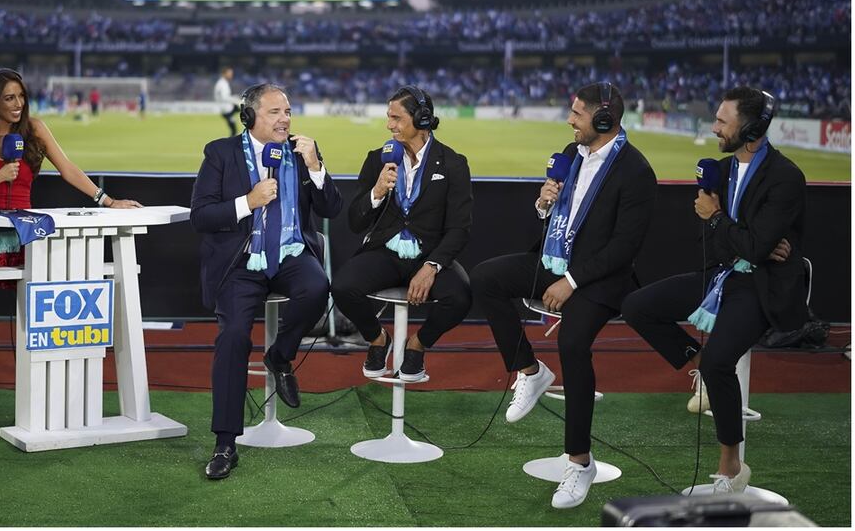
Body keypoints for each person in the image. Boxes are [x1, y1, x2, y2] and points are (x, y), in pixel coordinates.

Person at [469, 82, 657, 509]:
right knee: (485, 278)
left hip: (601, 278)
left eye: (577, 114)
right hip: (555, 262)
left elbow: (623, 249)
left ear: (604, 120)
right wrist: (543, 203)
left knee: (572, 344)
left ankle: (580, 462)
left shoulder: (636, 172)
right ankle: (530, 371)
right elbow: (559, 217)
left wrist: (571, 281)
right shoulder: (571, 156)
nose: (569, 120)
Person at [621, 87, 806, 494]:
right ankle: (700, 363)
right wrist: (736, 233)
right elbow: (721, 242)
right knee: (637, 306)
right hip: (723, 274)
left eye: (723, 121)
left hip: (760, 286)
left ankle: (732, 467)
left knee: (722, 364)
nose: (714, 127)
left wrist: (719, 218)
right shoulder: (719, 171)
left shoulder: (786, 176)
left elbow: (752, 248)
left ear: (752, 128)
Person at [0, 67, 141, 433]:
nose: (18, 104)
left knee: (30, 319)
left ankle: (39, 396)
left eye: (21, 96)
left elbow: (67, 168)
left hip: (24, 231)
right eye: (9, 98)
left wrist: (107, 200)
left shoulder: (35, 130)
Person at [190, 82, 342, 480]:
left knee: (317, 287)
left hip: (291, 254)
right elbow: (200, 216)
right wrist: (248, 202)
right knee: (235, 336)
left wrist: (316, 167)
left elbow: (332, 208)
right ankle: (225, 442)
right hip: (241, 262)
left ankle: (279, 356)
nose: (285, 119)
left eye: (288, 112)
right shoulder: (220, 153)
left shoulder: (301, 150)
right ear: (250, 116)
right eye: (275, 112)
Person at [331, 86, 472, 382]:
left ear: (421, 119)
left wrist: (431, 267)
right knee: (343, 286)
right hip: (385, 252)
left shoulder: (453, 164)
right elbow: (356, 222)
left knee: (460, 297)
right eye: (388, 117)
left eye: (396, 118)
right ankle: (378, 339)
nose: (389, 125)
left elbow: (459, 228)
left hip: (429, 254)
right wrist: (377, 191)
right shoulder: (378, 159)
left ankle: (418, 345)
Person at [214, 66, 240, 136]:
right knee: (234, 130)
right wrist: (235, 99)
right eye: (229, 73)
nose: (231, 75)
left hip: (226, 108)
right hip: (226, 109)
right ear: (224, 74)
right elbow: (224, 97)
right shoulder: (222, 84)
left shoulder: (222, 83)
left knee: (234, 129)